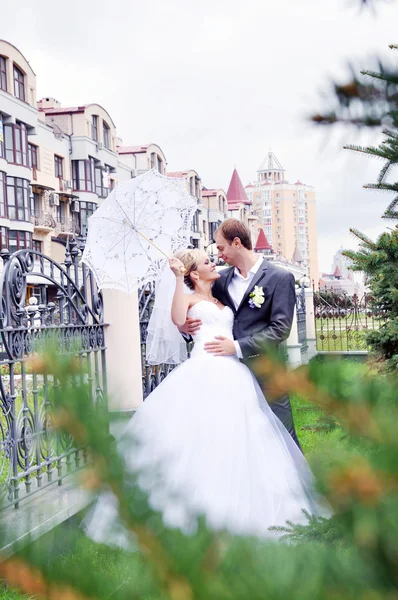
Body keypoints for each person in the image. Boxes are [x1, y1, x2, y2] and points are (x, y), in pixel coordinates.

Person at [84, 249, 329, 547]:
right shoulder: (187, 296)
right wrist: (177, 281)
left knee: (240, 437)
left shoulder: (222, 293)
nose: (215, 262)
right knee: (199, 437)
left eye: (215, 257)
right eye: (207, 262)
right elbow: (177, 318)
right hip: (202, 370)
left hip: (234, 373)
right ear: (194, 274)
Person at [180, 219, 301, 448]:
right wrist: (184, 328)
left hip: (267, 371)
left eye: (221, 247)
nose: (218, 253)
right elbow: (202, 308)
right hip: (227, 375)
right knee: (237, 438)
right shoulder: (221, 279)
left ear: (237, 243)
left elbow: (280, 329)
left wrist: (235, 346)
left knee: (284, 436)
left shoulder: (279, 278)